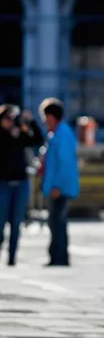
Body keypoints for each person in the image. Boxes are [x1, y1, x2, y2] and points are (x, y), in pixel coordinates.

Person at [0, 104, 45, 266]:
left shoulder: (20, 134)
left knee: (16, 222)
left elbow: (38, 139)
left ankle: (12, 257)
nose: (9, 122)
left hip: (20, 183)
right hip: (3, 184)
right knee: (1, 221)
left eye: (12, 119)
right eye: (6, 118)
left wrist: (30, 122)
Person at [39, 98, 79, 267]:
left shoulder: (62, 134)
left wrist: (58, 186)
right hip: (57, 186)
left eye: (45, 117)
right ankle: (57, 256)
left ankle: (59, 257)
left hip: (60, 188)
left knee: (57, 222)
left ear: (52, 117)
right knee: (55, 222)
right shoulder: (57, 134)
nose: (44, 121)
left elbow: (64, 163)